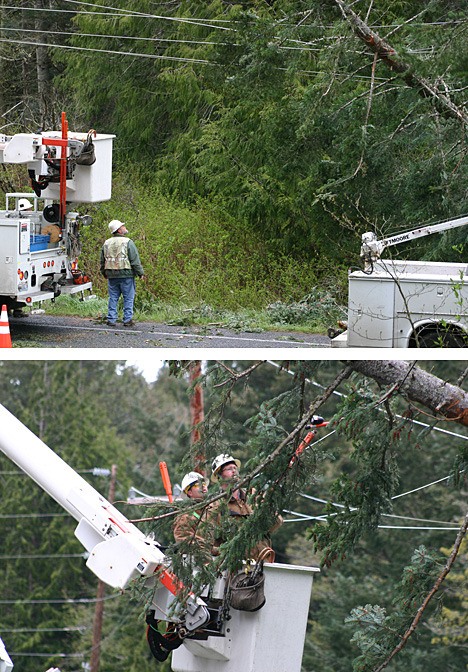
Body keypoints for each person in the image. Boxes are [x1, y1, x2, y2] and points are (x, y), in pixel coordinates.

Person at [211, 453, 282, 562]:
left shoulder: (252, 497)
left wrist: (267, 505)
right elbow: (209, 545)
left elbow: (276, 523)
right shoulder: (216, 506)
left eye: (235, 468)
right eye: (229, 469)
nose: (234, 471)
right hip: (236, 567)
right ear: (219, 476)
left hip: (263, 562)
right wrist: (228, 551)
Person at [100, 220, 144, 327]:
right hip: (126, 274)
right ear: (119, 230)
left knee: (113, 297)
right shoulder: (128, 242)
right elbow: (134, 260)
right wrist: (140, 273)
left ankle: (111, 319)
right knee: (128, 297)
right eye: (122, 226)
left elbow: (102, 260)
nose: (124, 227)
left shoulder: (106, 243)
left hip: (111, 274)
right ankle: (127, 319)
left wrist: (104, 272)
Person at [173, 471, 218, 560]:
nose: (203, 486)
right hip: (200, 564)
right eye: (198, 485)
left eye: (204, 483)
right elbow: (184, 541)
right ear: (189, 492)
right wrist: (215, 550)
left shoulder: (213, 509)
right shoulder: (185, 516)